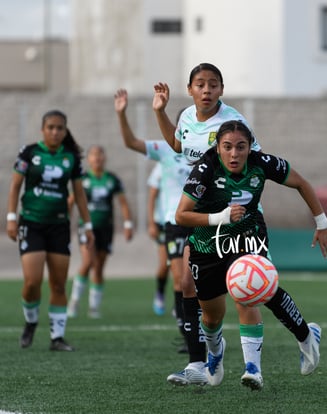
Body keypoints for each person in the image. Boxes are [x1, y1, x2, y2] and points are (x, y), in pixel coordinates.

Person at [175, 120, 327, 390]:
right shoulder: (205, 168)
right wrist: (222, 216)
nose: (234, 154)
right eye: (227, 147)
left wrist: (322, 224)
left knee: (249, 292)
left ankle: (254, 368)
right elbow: (181, 215)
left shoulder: (261, 163)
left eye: (241, 147)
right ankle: (215, 355)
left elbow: (301, 183)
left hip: (247, 235)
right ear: (217, 148)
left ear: (250, 147)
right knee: (211, 317)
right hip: (208, 244)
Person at [152, 63, 262, 386]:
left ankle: (252, 365)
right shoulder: (186, 117)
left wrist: (240, 206)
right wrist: (160, 111)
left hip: (231, 218)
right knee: (188, 285)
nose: (206, 90)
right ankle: (198, 363)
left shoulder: (233, 122)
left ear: (221, 90)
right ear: (190, 90)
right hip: (199, 215)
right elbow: (176, 145)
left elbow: (253, 162)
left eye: (213, 84)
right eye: (200, 84)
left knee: (242, 291)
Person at [6, 109, 94, 351]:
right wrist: (11, 218)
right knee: (32, 282)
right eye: (51, 127)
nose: (55, 132)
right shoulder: (29, 152)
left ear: (65, 131)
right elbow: (15, 187)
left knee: (58, 284)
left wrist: (87, 226)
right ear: (43, 130)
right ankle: (31, 322)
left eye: (60, 128)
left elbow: (78, 194)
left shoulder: (71, 158)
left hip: (58, 225)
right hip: (31, 223)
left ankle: (57, 337)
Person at [114, 89, 192, 351]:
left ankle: (204, 329)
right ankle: (187, 331)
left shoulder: (211, 151)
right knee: (182, 278)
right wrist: (121, 114)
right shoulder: (165, 150)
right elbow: (131, 143)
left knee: (201, 281)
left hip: (205, 221)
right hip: (175, 221)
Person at [67, 145, 134, 319]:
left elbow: (123, 203)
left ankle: (94, 307)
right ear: (88, 159)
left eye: (100, 154)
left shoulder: (112, 179)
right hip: (87, 227)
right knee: (88, 261)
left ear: (104, 158)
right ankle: (74, 301)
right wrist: (64, 222)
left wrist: (128, 223)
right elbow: (70, 201)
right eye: (94, 155)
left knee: (99, 267)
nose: (97, 158)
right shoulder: (82, 179)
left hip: (106, 228)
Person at [147, 162, 170, 316]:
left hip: (184, 221)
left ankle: (181, 304)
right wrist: (151, 223)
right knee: (164, 264)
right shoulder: (163, 164)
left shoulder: (193, 160)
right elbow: (152, 195)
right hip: (163, 222)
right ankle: (160, 293)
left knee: (184, 268)